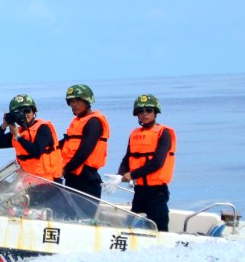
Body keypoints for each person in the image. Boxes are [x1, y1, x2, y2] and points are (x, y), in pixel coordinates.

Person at [117, 93, 176, 232]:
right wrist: (120, 175)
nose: (144, 114)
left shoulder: (164, 133)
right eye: (140, 111)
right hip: (140, 190)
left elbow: (158, 162)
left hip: (157, 191)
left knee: (159, 227)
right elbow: (127, 158)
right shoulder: (134, 134)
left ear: (155, 112)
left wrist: (132, 174)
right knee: (132, 226)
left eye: (149, 110)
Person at [0, 93, 63, 182]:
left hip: (49, 182)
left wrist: (18, 137)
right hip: (29, 183)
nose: (24, 115)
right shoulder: (18, 132)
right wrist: (4, 125)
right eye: (19, 113)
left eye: (27, 111)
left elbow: (37, 151)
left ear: (34, 112)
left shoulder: (43, 128)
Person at [58, 84, 110, 199]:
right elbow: (62, 144)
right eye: (71, 101)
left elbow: (84, 151)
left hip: (86, 180)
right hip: (73, 177)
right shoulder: (77, 122)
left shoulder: (94, 122)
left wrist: (65, 169)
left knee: (82, 216)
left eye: (77, 101)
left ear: (87, 101)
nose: (74, 104)